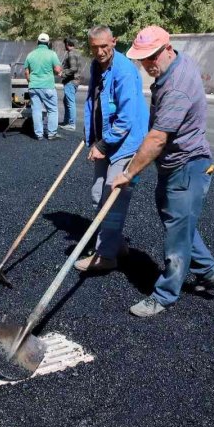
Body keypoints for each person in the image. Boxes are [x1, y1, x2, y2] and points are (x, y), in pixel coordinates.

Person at [110, 25, 214, 317]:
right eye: (143, 59)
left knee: (176, 236)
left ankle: (164, 295)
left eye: (152, 56)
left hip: (187, 166)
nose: (148, 64)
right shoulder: (175, 65)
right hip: (174, 164)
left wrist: (129, 173)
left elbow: (158, 137)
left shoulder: (177, 88)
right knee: (177, 222)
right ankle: (208, 271)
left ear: (167, 49)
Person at [74, 25, 149, 273]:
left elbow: (126, 118)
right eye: (94, 47)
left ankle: (105, 256)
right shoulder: (96, 66)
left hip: (126, 143)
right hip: (105, 141)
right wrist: (92, 138)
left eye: (104, 46)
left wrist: (103, 144)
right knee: (98, 194)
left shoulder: (124, 71)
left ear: (114, 42)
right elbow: (94, 103)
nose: (100, 52)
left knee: (113, 198)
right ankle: (116, 244)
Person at [23, 32, 62, 140]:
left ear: (37, 42)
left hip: (33, 86)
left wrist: (30, 81)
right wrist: (57, 72)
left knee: (36, 110)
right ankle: (51, 133)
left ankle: (38, 134)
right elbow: (57, 69)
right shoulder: (52, 54)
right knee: (52, 110)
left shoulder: (30, 55)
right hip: (47, 86)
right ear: (48, 43)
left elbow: (26, 72)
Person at [59, 38, 81, 131]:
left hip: (71, 81)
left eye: (65, 44)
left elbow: (73, 68)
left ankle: (71, 124)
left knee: (70, 102)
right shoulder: (76, 52)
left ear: (67, 44)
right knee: (66, 101)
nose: (64, 46)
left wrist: (63, 73)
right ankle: (66, 121)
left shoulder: (71, 53)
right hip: (73, 81)